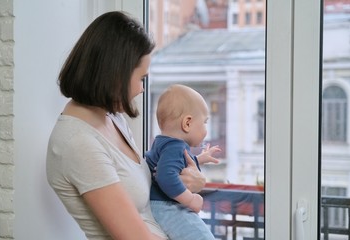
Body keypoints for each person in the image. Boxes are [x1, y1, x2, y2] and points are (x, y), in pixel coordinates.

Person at [46, 11, 206, 240]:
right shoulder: (78, 143)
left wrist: (190, 179)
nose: (142, 89)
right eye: (141, 78)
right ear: (115, 73)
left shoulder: (112, 119)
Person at [146, 84, 221, 240]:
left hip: (158, 205)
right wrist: (191, 200)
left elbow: (175, 166)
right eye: (205, 122)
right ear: (187, 123)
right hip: (166, 206)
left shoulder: (163, 142)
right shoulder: (176, 146)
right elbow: (165, 175)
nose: (206, 129)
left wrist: (201, 158)